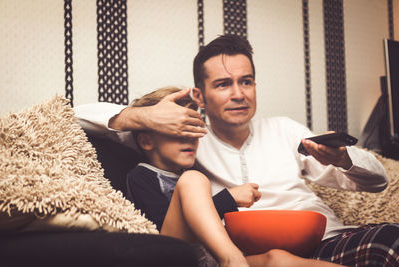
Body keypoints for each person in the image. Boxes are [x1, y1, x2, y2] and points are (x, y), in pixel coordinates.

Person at [74, 35, 399, 266]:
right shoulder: (186, 141)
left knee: (390, 240)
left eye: (246, 81)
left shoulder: (284, 129)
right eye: (223, 84)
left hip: (325, 239)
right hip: (251, 252)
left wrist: (344, 159)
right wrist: (144, 115)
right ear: (199, 97)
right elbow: (76, 116)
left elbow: (378, 182)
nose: (238, 94)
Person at [123, 86, 344, 267]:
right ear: (146, 142)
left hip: (209, 260)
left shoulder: (194, 173)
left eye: (195, 131)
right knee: (192, 179)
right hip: (174, 257)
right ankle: (232, 260)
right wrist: (228, 198)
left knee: (276, 258)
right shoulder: (142, 176)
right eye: (179, 132)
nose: (190, 140)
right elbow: (165, 232)